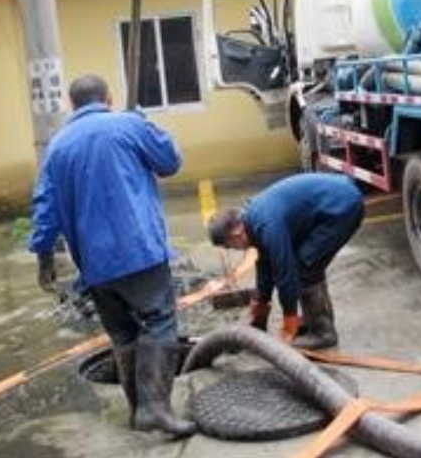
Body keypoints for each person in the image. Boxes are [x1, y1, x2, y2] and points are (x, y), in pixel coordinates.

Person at [29, 74, 196, 438]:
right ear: (108, 97)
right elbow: (170, 161)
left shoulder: (57, 148)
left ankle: (139, 409)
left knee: (122, 333)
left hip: (95, 265)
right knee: (159, 321)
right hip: (139, 252)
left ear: (73, 105)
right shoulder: (128, 125)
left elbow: (45, 207)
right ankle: (155, 408)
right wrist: (144, 123)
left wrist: (43, 256)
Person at [208, 173, 364, 350]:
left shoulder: (267, 225)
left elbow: (285, 273)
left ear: (236, 233)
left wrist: (289, 321)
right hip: (331, 202)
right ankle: (312, 320)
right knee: (304, 263)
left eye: (231, 246)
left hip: (341, 207)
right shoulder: (252, 221)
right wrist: (260, 305)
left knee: (305, 268)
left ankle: (323, 333)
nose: (236, 250)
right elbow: (265, 265)